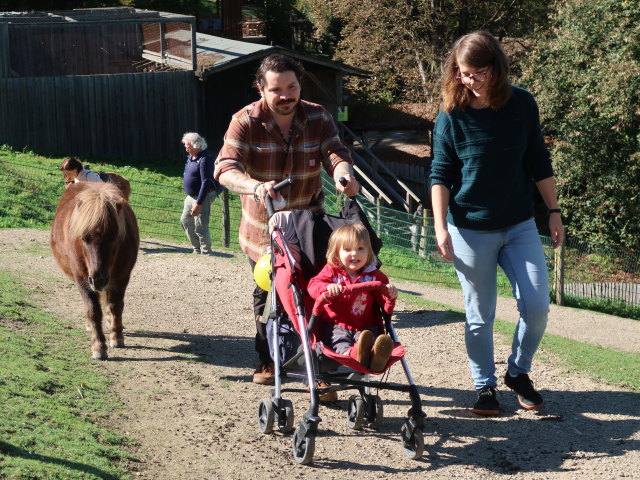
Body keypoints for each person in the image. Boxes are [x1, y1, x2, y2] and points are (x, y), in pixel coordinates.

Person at [430, 31, 565, 416]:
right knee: (480, 315)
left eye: (478, 73)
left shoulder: (522, 104)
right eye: (463, 73)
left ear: (497, 69)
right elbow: (439, 173)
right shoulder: (450, 115)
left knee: (537, 306)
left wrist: (553, 212)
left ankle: (518, 373)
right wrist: (441, 227)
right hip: (470, 228)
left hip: (519, 223)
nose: (470, 81)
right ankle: (484, 386)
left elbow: (538, 160)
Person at [214, 53, 360, 385]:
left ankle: (318, 369)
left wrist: (343, 173)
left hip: (310, 227)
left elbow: (336, 152)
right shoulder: (245, 121)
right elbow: (224, 169)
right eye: (277, 89)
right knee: (270, 296)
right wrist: (255, 187)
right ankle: (268, 360)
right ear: (261, 89)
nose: (286, 96)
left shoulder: (318, 116)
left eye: (291, 87)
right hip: (264, 233)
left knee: (316, 294)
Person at [307, 223, 397, 373]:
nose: (355, 254)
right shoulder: (332, 272)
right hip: (337, 325)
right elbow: (313, 285)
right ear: (337, 254)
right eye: (348, 249)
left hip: (366, 325)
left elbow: (382, 300)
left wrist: (389, 293)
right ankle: (355, 354)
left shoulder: (373, 275)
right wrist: (327, 287)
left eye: (360, 249)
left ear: (368, 252)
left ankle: (376, 355)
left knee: (369, 338)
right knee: (340, 344)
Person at [181, 132, 220, 255]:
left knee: (201, 226)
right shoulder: (191, 157)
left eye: (188, 146)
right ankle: (196, 249)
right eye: (185, 145)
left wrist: (198, 204)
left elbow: (206, 182)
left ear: (196, 145)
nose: (186, 148)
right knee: (185, 221)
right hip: (190, 196)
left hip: (202, 197)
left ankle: (206, 252)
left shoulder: (205, 159)